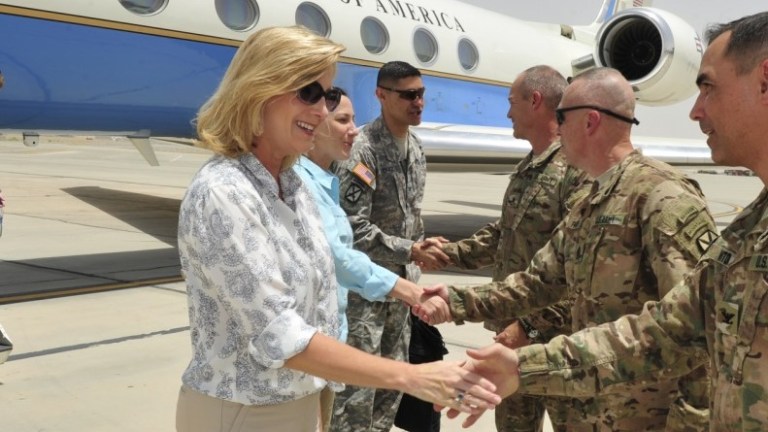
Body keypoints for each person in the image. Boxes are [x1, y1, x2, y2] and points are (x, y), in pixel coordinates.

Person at [174, 26, 500, 432]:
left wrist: (412, 291)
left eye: (326, 96)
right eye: (309, 93)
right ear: (260, 88)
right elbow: (279, 334)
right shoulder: (224, 192)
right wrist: (413, 376)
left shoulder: (291, 185)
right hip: (245, 410)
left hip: (303, 398)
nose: (321, 111)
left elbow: (333, 262)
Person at [455, 11, 768, 432]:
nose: (694, 112)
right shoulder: (750, 229)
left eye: (708, 87)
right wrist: (520, 367)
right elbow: (666, 330)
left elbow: (693, 361)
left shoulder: (661, 196)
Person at [418, 68, 714, 431]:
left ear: (590, 121)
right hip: (588, 408)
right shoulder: (590, 203)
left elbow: (697, 331)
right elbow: (535, 283)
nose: (557, 129)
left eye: (562, 117)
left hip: (646, 418)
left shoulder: (662, 198)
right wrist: (454, 301)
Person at [437, 65, 590, 432]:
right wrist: (447, 254)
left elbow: (580, 266)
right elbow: (505, 234)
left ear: (535, 101)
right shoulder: (529, 167)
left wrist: (530, 327)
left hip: (560, 344)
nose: (507, 113)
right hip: (514, 339)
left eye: (512, 102)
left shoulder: (576, 170)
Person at [293, 87, 428, 431]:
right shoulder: (302, 185)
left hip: (337, 328)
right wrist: (406, 286)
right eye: (343, 120)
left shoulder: (324, 181)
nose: (354, 129)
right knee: (350, 410)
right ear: (314, 124)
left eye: (353, 119)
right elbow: (339, 256)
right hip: (321, 337)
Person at [330, 61, 450, 432]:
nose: (418, 102)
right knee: (355, 398)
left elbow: (411, 216)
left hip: (401, 296)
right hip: (365, 296)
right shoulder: (362, 151)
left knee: (390, 393)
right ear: (381, 95)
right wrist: (410, 249)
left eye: (421, 94)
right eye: (409, 95)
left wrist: (422, 246)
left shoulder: (415, 148)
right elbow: (352, 228)